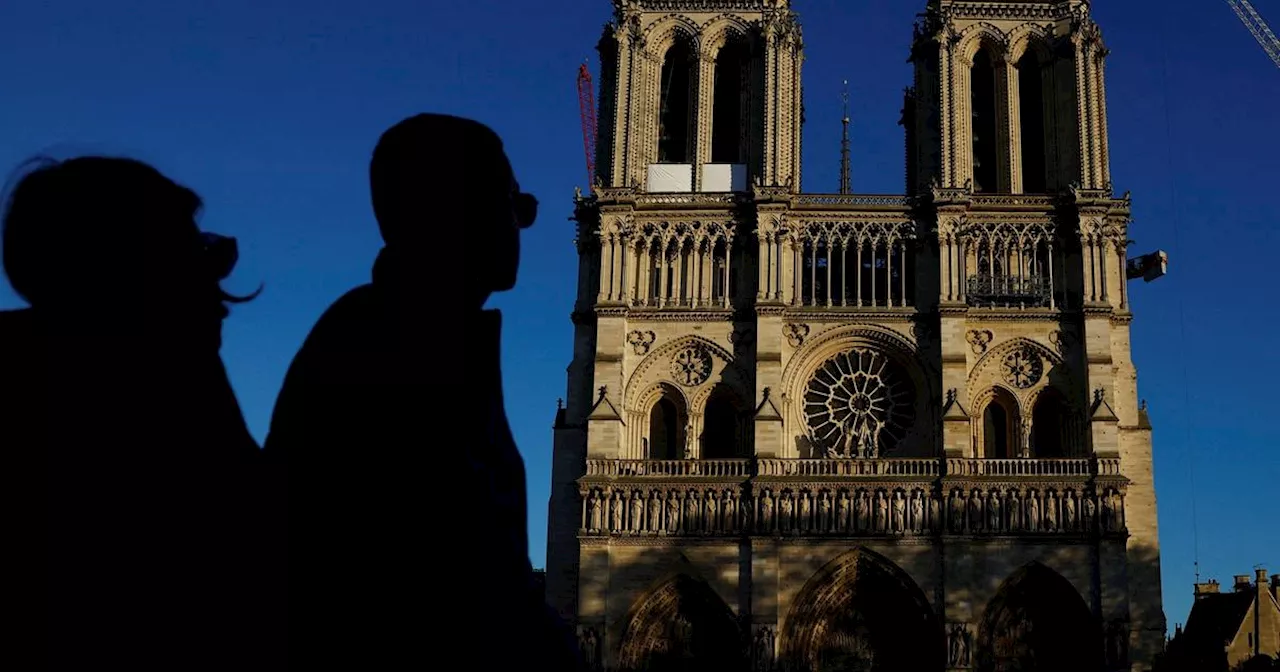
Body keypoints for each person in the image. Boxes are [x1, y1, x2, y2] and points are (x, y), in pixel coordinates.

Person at [265, 113, 583, 669]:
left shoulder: (415, 330)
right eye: (517, 204)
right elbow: (460, 572)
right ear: (461, 207)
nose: (522, 225)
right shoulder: (387, 346)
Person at [0, 156, 283, 669]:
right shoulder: (161, 384)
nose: (218, 285)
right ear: (118, 272)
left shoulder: (174, 376)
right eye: (189, 252)